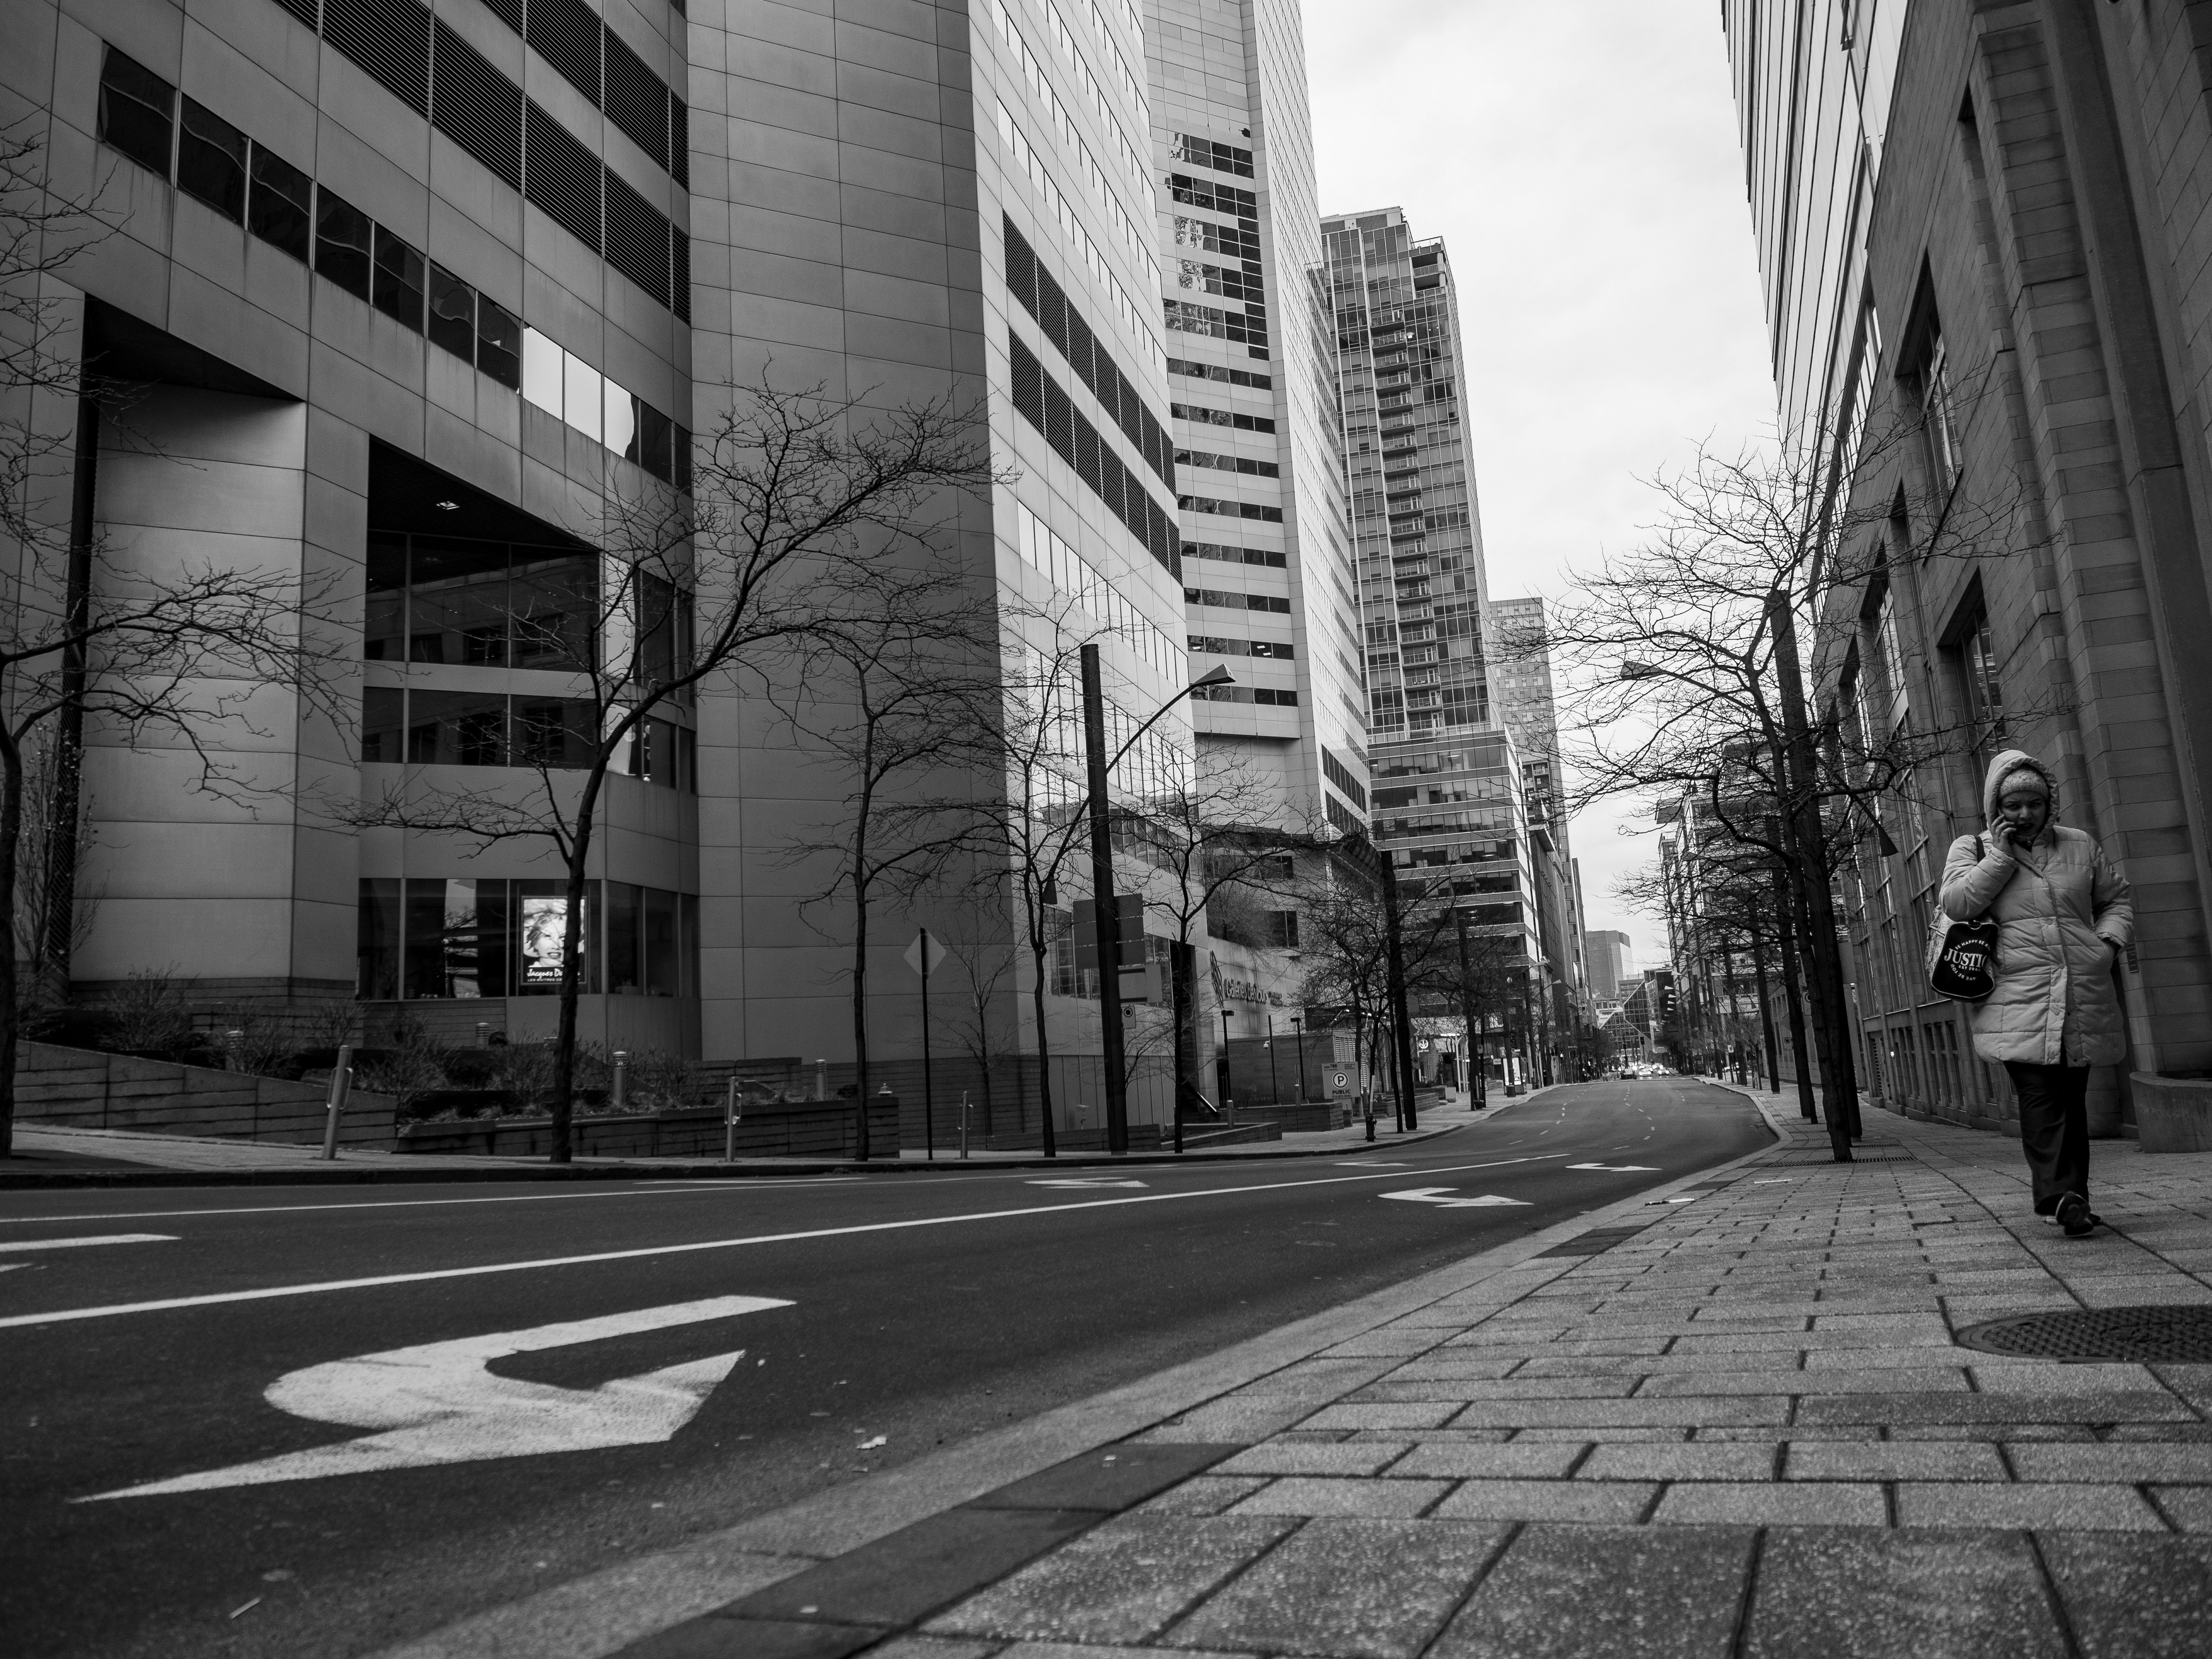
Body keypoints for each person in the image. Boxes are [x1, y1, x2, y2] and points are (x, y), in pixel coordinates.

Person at [1938, 748, 2133, 1237]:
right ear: (1996, 808)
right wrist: (2002, 858)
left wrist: (2107, 945)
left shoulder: (2080, 845)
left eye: (2034, 804)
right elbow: (1958, 903)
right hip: (2015, 998)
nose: (2024, 814)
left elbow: (2115, 900)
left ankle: (2074, 1202)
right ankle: (2056, 1196)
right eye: (2013, 806)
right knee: (2040, 1098)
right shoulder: (1973, 849)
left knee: (2072, 1101)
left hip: (2080, 993)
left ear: (2050, 803)